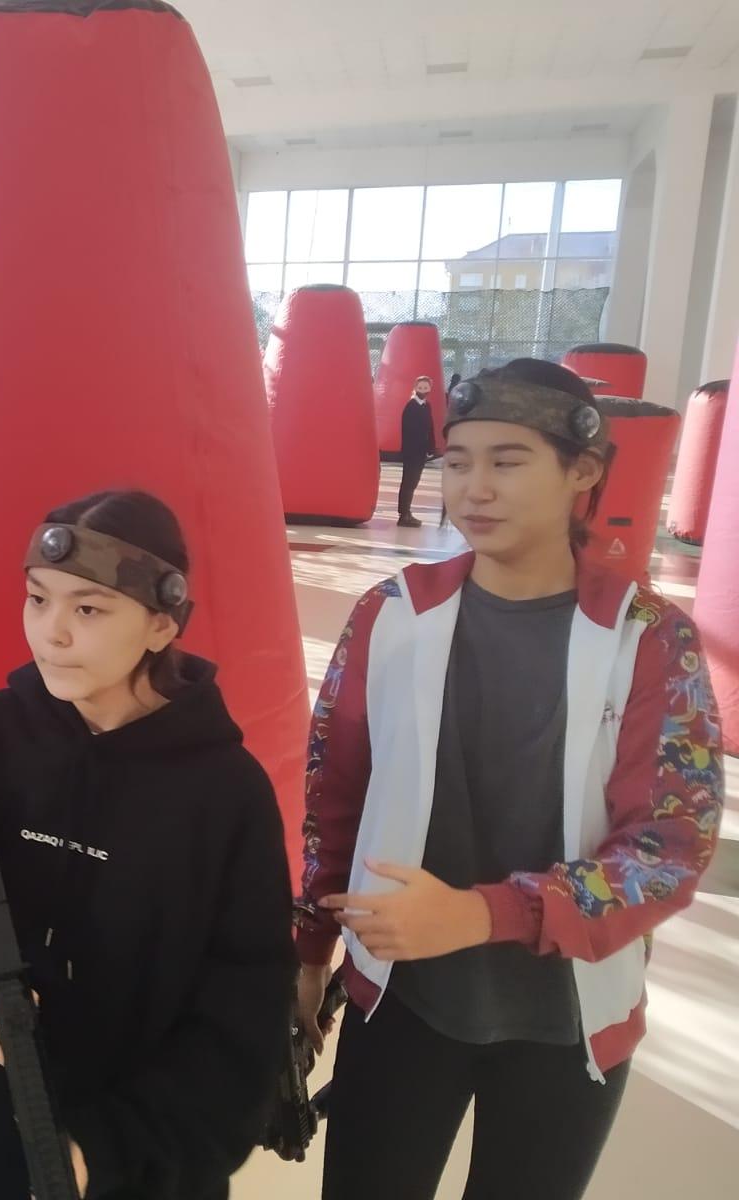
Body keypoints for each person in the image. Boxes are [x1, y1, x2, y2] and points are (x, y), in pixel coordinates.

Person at [297, 359, 724, 1200]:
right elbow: (334, 795)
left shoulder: (647, 638)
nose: (475, 488)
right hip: (402, 997)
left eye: (508, 460)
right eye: (457, 461)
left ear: (584, 471)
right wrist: (310, 947)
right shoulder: (391, 614)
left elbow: (669, 849)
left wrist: (482, 913)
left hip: (566, 1019)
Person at [0, 489, 294, 1200]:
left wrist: (106, 1154)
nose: (50, 633)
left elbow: (243, 1020)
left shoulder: (226, 796)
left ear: (161, 623)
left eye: (88, 609)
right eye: (38, 599)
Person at [397, 373, 437, 527]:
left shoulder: (427, 406)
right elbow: (408, 431)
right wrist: (411, 450)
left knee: (413, 482)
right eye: (420, 387)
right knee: (408, 482)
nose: (423, 390)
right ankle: (403, 514)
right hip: (412, 452)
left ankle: (407, 512)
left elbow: (430, 427)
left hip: (421, 452)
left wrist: (431, 446)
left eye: (426, 388)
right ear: (415, 388)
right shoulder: (411, 406)